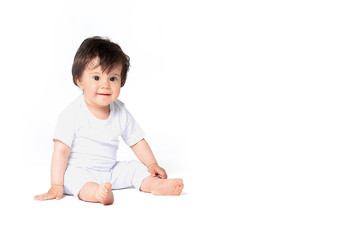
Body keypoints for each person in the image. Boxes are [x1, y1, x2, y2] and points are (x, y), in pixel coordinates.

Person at [34, 36, 184, 205]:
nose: (105, 85)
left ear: (121, 81)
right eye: (96, 78)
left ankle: (156, 185)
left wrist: (152, 164)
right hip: (80, 170)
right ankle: (97, 193)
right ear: (79, 80)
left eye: (112, 78)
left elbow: (137, 141)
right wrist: (56, 184)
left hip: (110, 171)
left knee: (135, 168)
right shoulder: (71, 114)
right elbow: (60, 151)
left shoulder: (120, 111)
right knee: (72, 178)